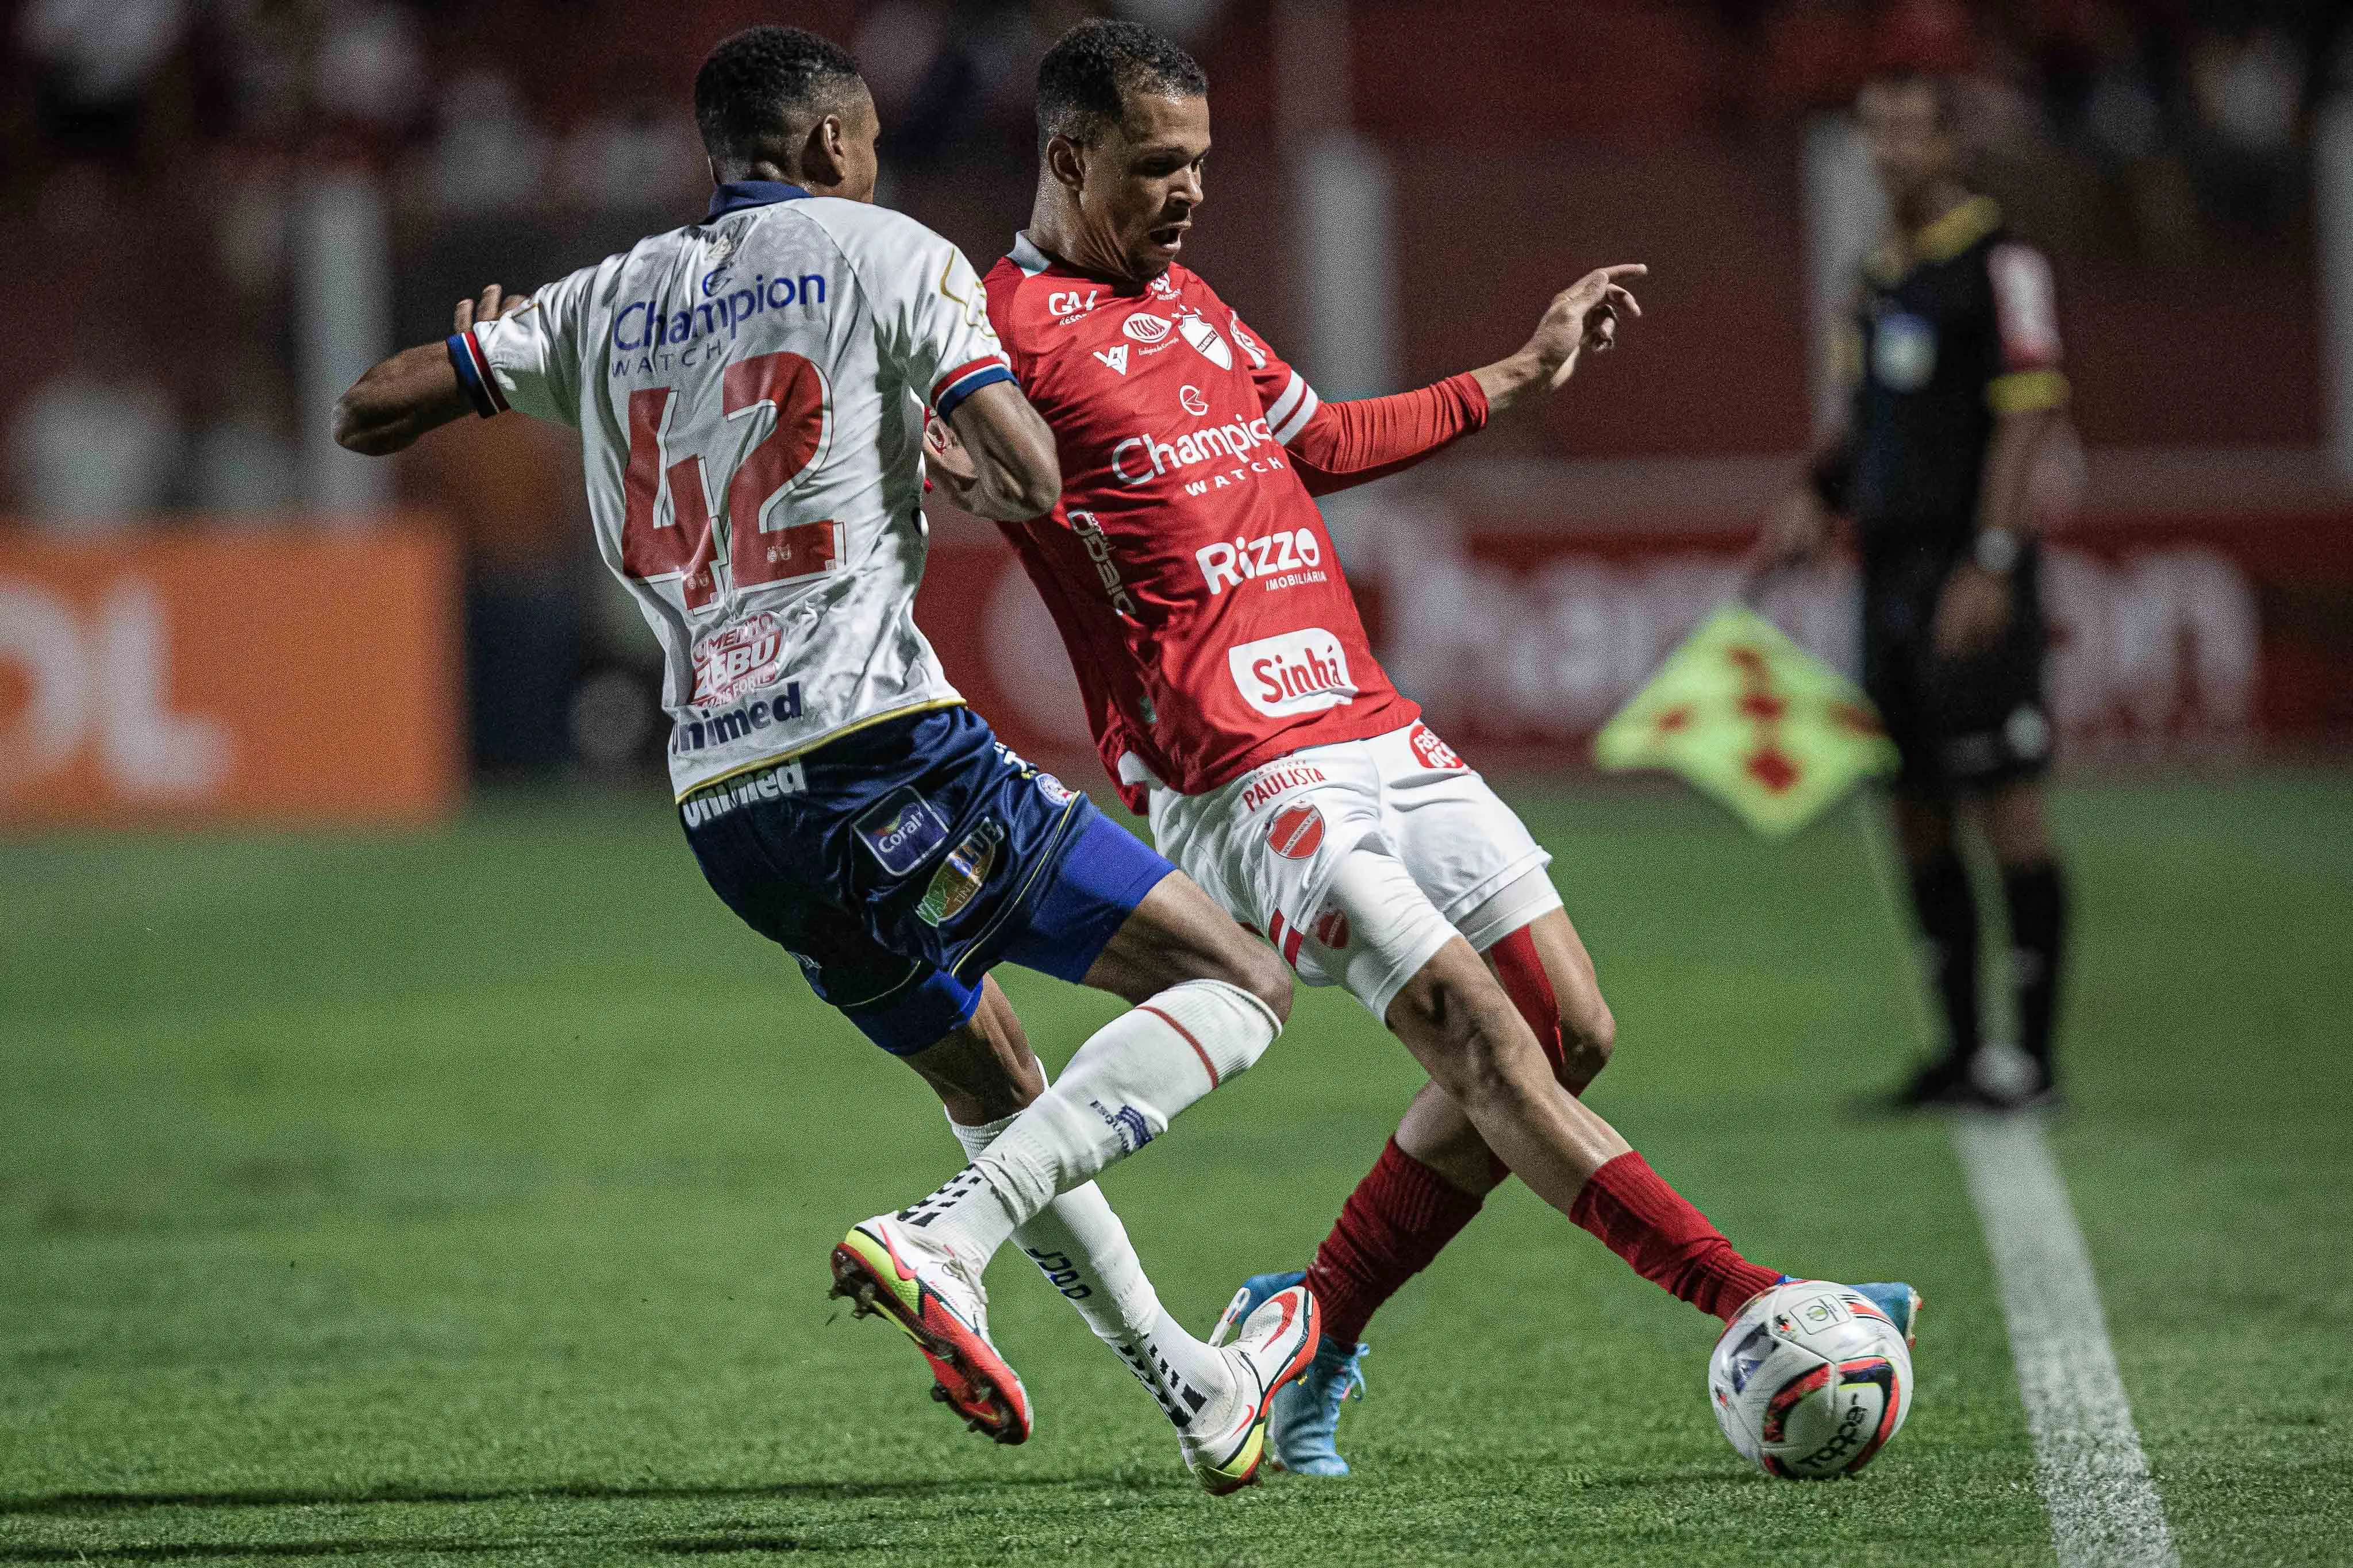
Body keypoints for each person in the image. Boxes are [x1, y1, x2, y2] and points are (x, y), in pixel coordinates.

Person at [331, 25, 1330, 1496]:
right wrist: (966, 453)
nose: (871, 165)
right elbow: (1035, 468)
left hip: (725, 804)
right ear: (826, 149)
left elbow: (368, 409)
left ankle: (1191, 1384)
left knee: (1000, 1081)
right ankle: (949, 1238)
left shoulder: (609, 295)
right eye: (862, 145)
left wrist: (486, 352)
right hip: (878, 745)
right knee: (1240, 978)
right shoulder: (889, 253)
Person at [925, 17, 1919, 1478]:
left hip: (1374, 719)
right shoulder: (997, 334)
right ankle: (1759, 1304)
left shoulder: (1189, 298)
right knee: (1484, 1046)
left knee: (1573, 1030)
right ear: (1068, 160)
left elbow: (1315, 439)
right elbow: (941, 466)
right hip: (1241, 772)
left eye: (1200, 162)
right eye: (1158, 167)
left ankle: (1304, 1320)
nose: (1190, 191)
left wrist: (1515, 374)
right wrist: (931, 473)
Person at [1759, 68, 2071, 1112]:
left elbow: (2027, 415)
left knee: (2006, 807)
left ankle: (2029, 1057)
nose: (1889, 150)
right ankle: (1957, 1048)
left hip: (1967, 568)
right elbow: (1863, 416)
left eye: (1908, 131)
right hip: (1885, 570)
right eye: (1875, 131)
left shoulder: (2001, 264)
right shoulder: (1875, 276)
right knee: (1916, 812)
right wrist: (1813, 494)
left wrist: (1991, 556)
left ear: (1952, 145)